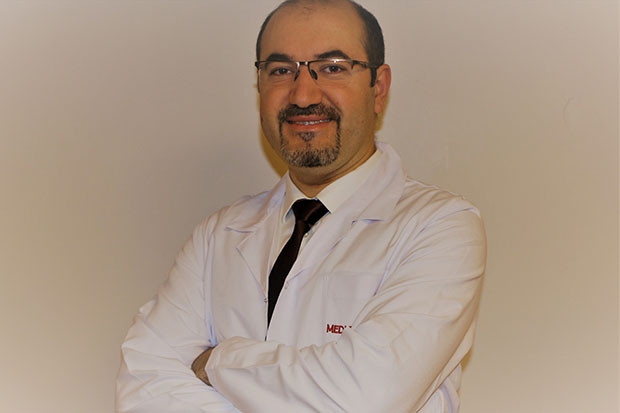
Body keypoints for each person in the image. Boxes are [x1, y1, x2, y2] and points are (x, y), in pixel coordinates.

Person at [116, 0, 486, 412]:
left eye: (332, 67)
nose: (303, 94)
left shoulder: (441, 227)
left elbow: (368, 397)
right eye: (280, 70)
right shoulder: (217, 236)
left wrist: (218, 361)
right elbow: (144, 384)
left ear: (378, 88)